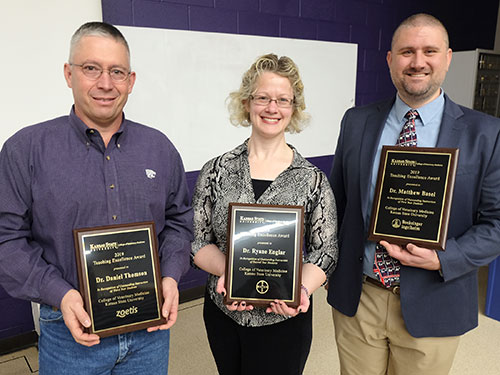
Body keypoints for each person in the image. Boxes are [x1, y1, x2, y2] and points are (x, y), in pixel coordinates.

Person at [0, 22, 193, 374]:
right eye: (91, 68)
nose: (106, 83)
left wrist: (171, 274)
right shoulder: (25, 150)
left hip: (149, 333)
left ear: (131, 81)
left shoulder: (160, 149)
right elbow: (6, 240)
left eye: (116, 71)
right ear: (68, 73)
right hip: (68, 331)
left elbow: (180, 221)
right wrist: (60, 293)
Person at [327, 12, 500, 375]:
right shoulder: (356, 121)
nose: (417, 62)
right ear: (390, 60)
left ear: (448, 57)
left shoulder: (485, 134)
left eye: (429, 51)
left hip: (436, 296)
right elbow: (338, 204)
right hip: (361, 296)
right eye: (406, 51)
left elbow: (496, 223)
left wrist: (444, 258)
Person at [191, 53, 338, 375]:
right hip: (223, 313)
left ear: (294, 108)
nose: (272, 108)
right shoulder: (216, 171)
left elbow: (325, 251)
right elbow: (198, 242)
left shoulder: (312, 180)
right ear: (246, 102)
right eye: (263, 98)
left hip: (285, 317)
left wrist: (301, 290)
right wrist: (231, 274)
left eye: (283, 100)